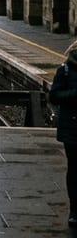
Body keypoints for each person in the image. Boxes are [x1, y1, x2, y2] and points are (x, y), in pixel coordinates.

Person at [49, 40, 77, 226]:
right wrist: (74, 93)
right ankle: (75, 210)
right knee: (75, 169)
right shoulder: (65, 70)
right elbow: (54, 95)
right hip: (72, 127)